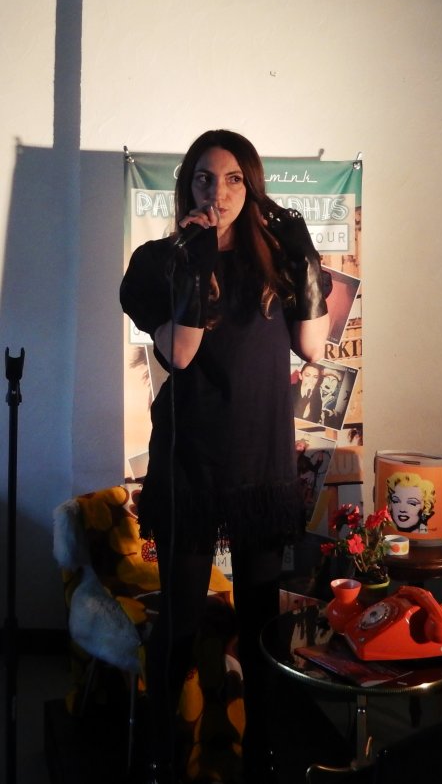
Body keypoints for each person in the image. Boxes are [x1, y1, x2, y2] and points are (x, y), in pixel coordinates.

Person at [120, 129, 330, 784]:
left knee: (261, 623)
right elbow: (180, 354)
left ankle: (262, 754)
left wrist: (307, 260)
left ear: (252, 186)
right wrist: (195, 262)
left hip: (259, 463)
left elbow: (313, 347)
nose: (219, 191)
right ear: (187, 186)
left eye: (234, 178)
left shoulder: (274, 262)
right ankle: (159, 756)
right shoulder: (157, 262)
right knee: (180, 622)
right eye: (205, 178)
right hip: (190, 462)